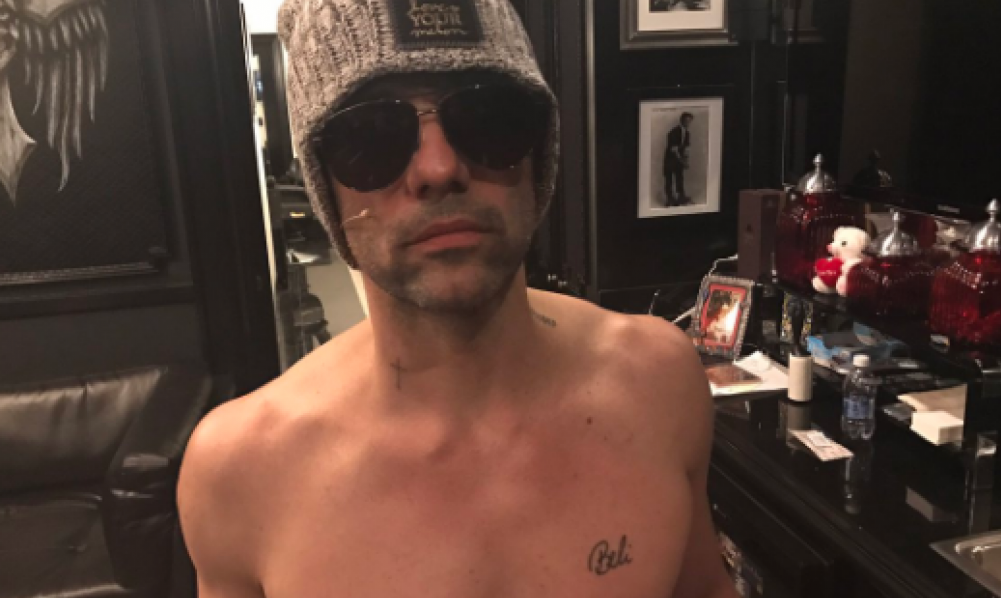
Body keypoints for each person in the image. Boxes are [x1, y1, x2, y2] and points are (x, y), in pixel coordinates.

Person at [177, 1, 738, 597]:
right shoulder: (239, 474)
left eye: (487, 116)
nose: (440, 167)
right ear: (324, 186)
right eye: (371, 134)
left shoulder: (658, 384)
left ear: (538, 154)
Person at [664, 112, 694, 207]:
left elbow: (686, 149)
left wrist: (686, 161)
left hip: (679, 160)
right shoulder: (673, 132)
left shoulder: (687, 133)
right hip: (670, 159)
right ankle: (670, 199)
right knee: (669, 179)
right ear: (682, 120)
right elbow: (674, 149)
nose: (688, 123)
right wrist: (682, 161)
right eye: (686, 121)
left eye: (690, 121)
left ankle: (681, 197)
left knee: (679, 178)